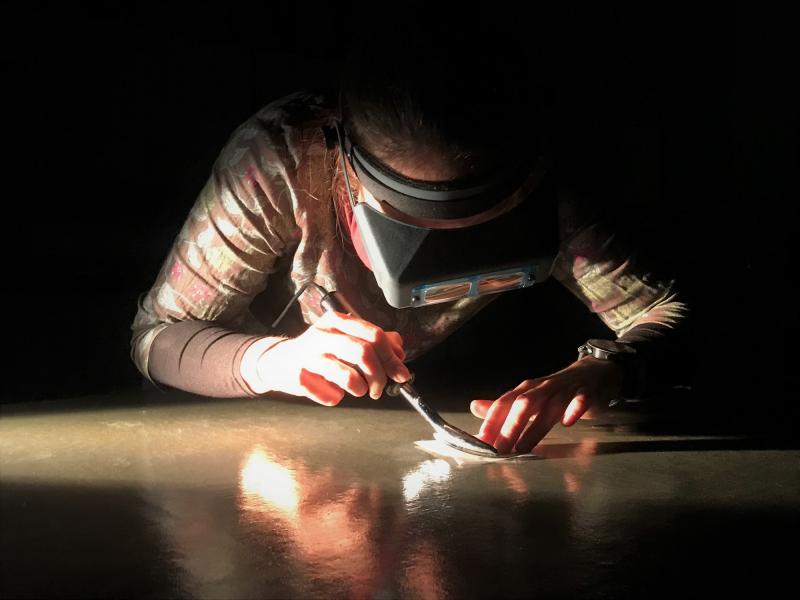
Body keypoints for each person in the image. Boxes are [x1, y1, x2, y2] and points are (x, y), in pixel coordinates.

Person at [131, 19, 687, 455]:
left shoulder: (546, 186)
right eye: (410, 228)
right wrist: (270, 360)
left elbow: (667, 309)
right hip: (255, 447)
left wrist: (605, 367)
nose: (444, 254)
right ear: (348, 169)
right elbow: (156, 341)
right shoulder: (282, 162)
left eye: (483, 229)